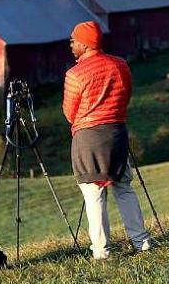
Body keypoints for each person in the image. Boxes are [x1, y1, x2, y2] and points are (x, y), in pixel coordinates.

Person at [63, 20, 153, 260]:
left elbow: (69, 113)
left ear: (84, 43)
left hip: (88, 138)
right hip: (116, 133)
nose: (71, 44)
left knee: (94, 194)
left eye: (73, 40)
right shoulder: (120, 65)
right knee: (124, 187)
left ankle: (102, 251)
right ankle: (141, 241)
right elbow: (126, 96)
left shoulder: (74, 74)